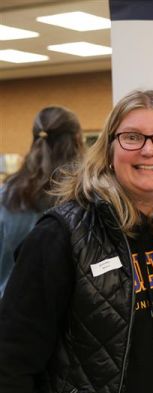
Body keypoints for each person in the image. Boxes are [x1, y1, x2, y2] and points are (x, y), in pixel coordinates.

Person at [0, 90, 153, 393]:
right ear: (108, 149)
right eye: (132, 137)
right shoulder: (61, 235)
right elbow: (11, 361)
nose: (149, 150)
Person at [0, 106, 83, 298]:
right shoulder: (87, 195)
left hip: (11, 310)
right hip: (69, 316)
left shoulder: (6, 196)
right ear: (78, 139)